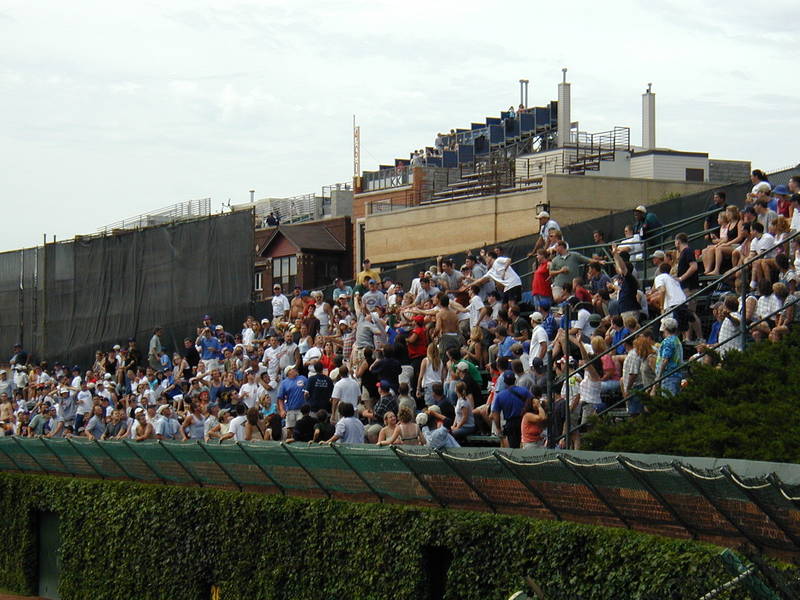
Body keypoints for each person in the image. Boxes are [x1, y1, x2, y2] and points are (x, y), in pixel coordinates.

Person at [492, 371, 530, 449]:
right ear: (515, 380)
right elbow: (533, 401)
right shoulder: (524, 391)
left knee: (513, 448)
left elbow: (495, 413)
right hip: (524, 421)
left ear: (504, 382)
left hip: (511, 424)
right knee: (525, 445)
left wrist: (498, 428)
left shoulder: (500, 395)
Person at [277, 365, 308, 439]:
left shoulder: (303, 378)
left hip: (302, 409)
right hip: (290, 409)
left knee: (301, 428)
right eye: (292, 369)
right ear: (288, 372)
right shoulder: (284, 383)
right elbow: (280, 398)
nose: (294, 370)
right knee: (290, 429)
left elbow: (308, 388)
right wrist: (282, 410)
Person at [655, 317, 683, 395]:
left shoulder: (667, 342)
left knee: (668, 398)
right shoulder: (676, 340)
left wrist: (658, 377)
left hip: (668, 375)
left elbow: (665, 360)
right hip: (676, 374)